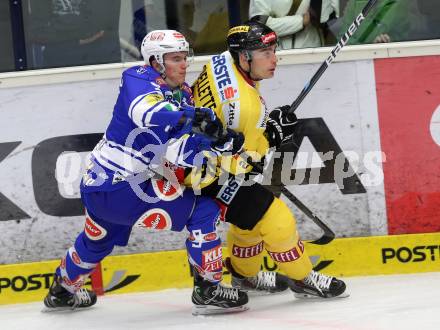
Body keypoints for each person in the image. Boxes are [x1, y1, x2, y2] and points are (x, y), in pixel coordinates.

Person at [43, 29, 248, 316]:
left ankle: (62, 291)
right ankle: (208, 287)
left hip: (100, 187)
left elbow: (181, 150)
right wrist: (196, 121)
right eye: (175, 58)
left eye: (184, 57)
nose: (183, 64)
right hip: (122, 188)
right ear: (156, 61)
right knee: (202, 211)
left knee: (97, 240)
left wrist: (221, 142)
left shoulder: (183, 95)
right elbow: (147, 112)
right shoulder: (137, 78)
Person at [190, 20, 347, 298]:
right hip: (204, 178)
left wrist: (266, 129)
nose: (275, 59)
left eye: (274, 50)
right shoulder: (242, 105)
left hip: (194, 162)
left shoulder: (224, 61)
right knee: (277, 220)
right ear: (244, 56)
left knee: (249, 221)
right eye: (266, 53)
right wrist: (272, 136)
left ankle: (244, 276)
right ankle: (303, 278)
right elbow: (247, 162)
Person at [249, 0, 339, 49]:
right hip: (277, 55)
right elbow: (259, 28)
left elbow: (332, 18)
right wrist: (301, 20)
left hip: (312, 52)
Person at [337, 0, 410, 44]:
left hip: (390, 59)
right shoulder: (355, 2)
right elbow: (343, 39)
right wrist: (368, 45)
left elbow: (409, 34)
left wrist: (389, 40)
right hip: (359, 60)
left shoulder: (399, 3)